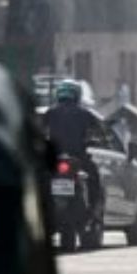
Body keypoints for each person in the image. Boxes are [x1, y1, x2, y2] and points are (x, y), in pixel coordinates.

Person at [44, 79, 101, 210]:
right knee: (94, 177)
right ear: (77, 95)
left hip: (54, 157)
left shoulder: (50, 112)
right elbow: (99, 132)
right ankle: (94, 208)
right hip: (78, 156)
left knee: (40, 177)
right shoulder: (85, 114)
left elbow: (39, 129)